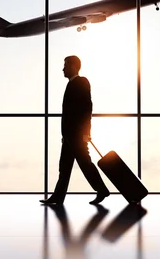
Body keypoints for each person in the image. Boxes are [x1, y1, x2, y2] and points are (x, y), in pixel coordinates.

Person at [40, 55, 110, 205]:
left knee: (84, 164)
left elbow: (87, 108)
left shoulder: (81, 82)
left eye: (65, 65)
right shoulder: (72, 84)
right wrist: (65, 135)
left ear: (73, 66)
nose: (63, 69)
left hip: (77, 135)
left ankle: (102, 190)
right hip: (69, 136)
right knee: (64, 167)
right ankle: (58, 197)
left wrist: (86, 132)